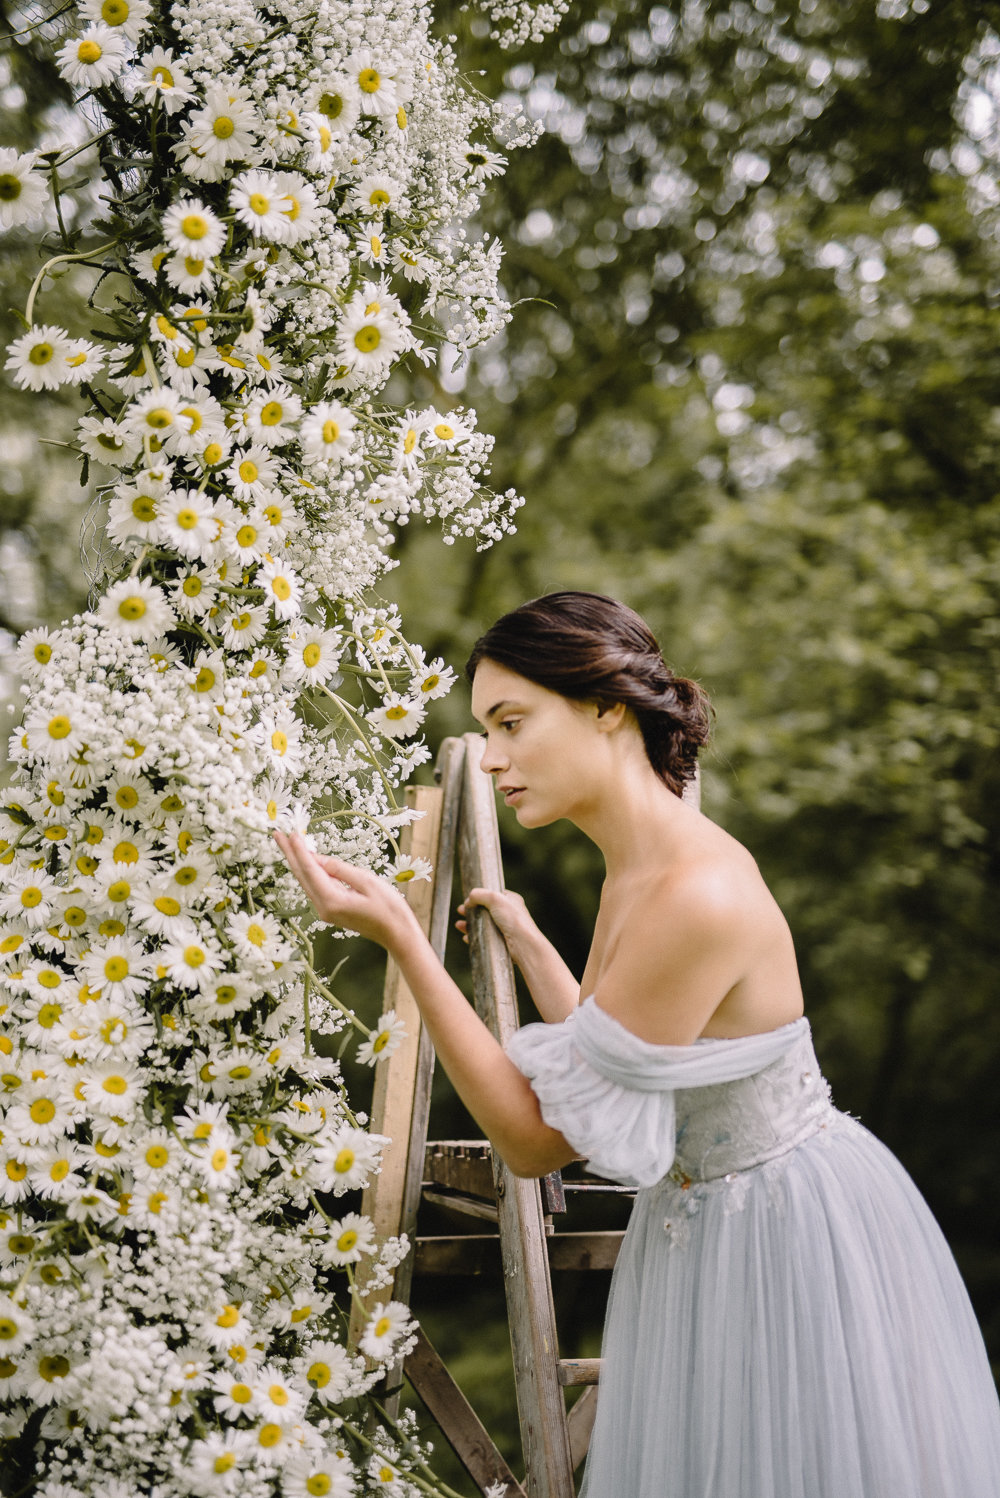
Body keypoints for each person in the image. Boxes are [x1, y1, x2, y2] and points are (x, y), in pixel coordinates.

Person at [276, 590, 1000, 1497]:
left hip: (778, 1238)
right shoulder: (640, 857)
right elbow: (624, 1052)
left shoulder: (693, 893)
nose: (494, 760)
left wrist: (404, 939)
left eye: (512, 723)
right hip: (699, 1235)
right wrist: (534, 942)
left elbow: (539, 1140)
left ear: (606, 707)